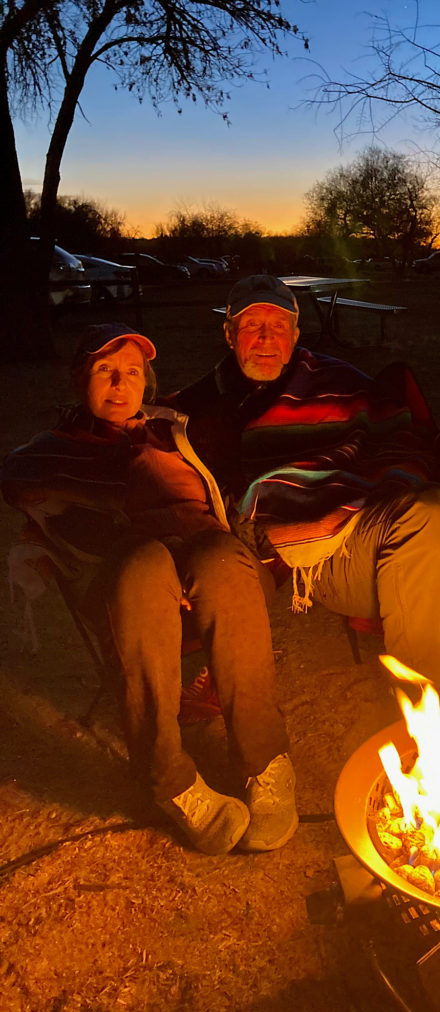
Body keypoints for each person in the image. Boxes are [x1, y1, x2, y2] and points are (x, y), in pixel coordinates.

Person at [172, 276, 440, 699]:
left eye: (279, 324)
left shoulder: (335, 378)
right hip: (336, 551)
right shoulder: (205, 408)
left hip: (414, 522)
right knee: (428, 510)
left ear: (296, 333)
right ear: (229, 333)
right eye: (253, 325)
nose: (267, 337)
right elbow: (160, 472)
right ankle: (428, 707)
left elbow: (410, 433)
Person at [1, 323, 297, 856]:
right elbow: (18, 479)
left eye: (132, 373)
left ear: (147, 383)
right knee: (142, 564)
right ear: (80, 380)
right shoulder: (55, 447)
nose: (120, 383)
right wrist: (107, 491)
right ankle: (171, 781)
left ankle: (265, 761)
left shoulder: (176, 432)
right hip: (129, 583)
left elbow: (234, 485)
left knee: (223, 562)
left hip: (211, 568)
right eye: (104, 371)